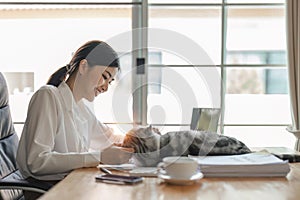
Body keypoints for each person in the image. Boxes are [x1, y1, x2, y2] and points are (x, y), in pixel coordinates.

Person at [16, 40, 133, 189]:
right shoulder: (48, 96)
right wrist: (99, 157)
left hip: (73, 185)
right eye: (104, 76)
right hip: (48, 191)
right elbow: (37, 162)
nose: (105, 88)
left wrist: (141, 140)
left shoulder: (82, 107)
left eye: (109, 82)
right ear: (83, 66)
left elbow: (109, 139)